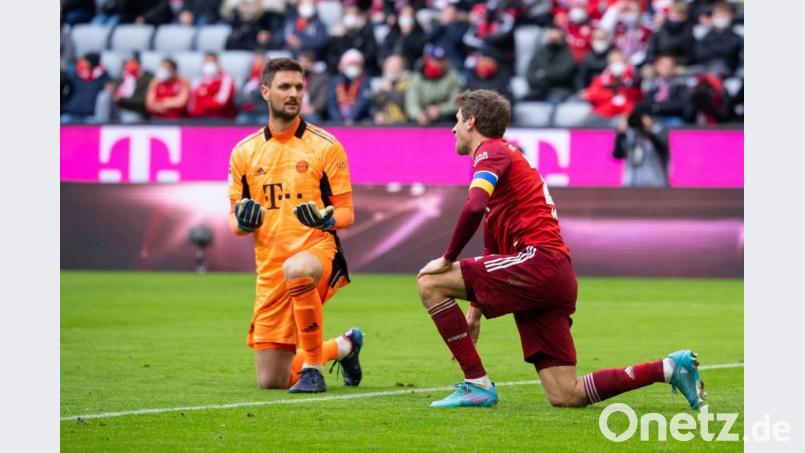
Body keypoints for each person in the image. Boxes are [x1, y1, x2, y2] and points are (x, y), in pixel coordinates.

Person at [416, 89, 704, 409]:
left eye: (456, 121)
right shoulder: (507, 167)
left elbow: (472, 207)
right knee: (567, 394)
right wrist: (474, 313)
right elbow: (491, 249)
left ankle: (476, 384)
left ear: (471, 122)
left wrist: (447, 259)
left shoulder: (492, 151)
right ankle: (668, 368)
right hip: (554, 274)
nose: (452, 129)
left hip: (537, 262)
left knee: (430, 282)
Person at [227, 58, 364, 393]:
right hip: (270, 268)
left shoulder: (326, 145)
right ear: (265, 92)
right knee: (272, 380)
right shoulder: (244, 152)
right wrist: (242, 223)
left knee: (297, 268)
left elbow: (347, 213)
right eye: (285, 87)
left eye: (299, 87)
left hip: (317, 252)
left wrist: (325, 218)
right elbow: (234, 221)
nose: (294, 94)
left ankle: (314, 371)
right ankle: (345, 347)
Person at [580, 49, 642, 126]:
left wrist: (628, 77)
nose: (616, 64)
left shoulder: (634, 79)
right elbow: (592, 95)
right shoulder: (601, 79)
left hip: (626, 114)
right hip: (604, 114)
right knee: (588, 120)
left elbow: (636, 97)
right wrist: (613, 94)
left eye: (619, 61)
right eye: (613, 62)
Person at [405, 45, 462, 125]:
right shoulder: (417, 78)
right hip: (420, 119)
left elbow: (456, 102)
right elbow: (412, 103)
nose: (437, 64)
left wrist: (440, 109)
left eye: (441, 61)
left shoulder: (452, 77)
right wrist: (419, 115)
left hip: (445, 118)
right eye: (434, 60)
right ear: (427, 60)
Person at [613, 111, 670, 187]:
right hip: (631, 181)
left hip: (655, 182)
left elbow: (663, 148)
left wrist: (648, 131)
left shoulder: (657, 130)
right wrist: (621, 133)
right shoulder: (629, 134)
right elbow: (617, 155)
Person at [525, 25, 577, 102]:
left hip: (559, 91)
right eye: (550, 38)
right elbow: (530, 75)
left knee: (552, 100)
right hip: (538, 90)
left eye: (555, 39)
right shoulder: (539, 55)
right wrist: (545, 77)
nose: (552, 41)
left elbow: (562, 75)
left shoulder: (568, 55)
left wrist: (543, 74)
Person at [635, 54, 688, 127]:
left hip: (671, 116)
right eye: (663, 66)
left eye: (668, 66)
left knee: (675, 124)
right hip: (653, 116)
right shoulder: (651, 83)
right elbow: (643, 103)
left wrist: (657, 107)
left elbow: (680, 104)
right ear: (657, 67)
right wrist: (645, 115)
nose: (665, 69)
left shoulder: (680, 83)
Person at [692, 1, 742, 77]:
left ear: (730, 17)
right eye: (718, 15)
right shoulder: (705, 35)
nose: (720, 18)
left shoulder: (737, 36)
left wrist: (714, 51)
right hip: (707, 69)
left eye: (723, 15)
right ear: (713, 17)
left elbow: (730, 52)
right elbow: (699, 54)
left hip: (730, 73)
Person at [327, 49, 373, 124]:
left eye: (356, 64)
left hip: (358, 121)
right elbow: (331, 103)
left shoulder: (365, 81)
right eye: (350, 64)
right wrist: (338, 120)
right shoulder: (335, 81)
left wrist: (351, 118)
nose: (353, 67)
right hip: (337, 121)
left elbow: (362, 102)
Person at [61, 53, 110, 123]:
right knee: (64, 120)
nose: (81, 63)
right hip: (71, 112)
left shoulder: (103, 77)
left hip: (91, 114)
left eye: (85, 61)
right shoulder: (74, 74)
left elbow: (109, 89)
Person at [188, 52, 238, 119]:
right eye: (207, 61)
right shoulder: (198, 80)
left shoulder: (226, 79)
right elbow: (192, 105)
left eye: (212, 61)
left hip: (220, 119)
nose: (209, 64)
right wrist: (212, 98)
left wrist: (202, 101)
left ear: (217, 63)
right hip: (198, 118)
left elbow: (221, 103)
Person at [645, 1, 695, 65]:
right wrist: (659, 62)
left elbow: (689, 56)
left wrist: (672, 63)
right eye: (674, 13)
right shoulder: (659, 31)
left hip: (678, 66)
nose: (676, 17)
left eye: (680, 14)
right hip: (659, 64)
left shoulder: (688, 33)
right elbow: (650, 53)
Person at [373, 54, 411, 125]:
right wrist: (378, 114)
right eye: (388, 67)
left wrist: (390, 91)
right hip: (385, 125)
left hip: (405, 125)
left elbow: (406, 103)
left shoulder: (408, 82)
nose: (389, 70)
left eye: (393, 67)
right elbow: (377, 105)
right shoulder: (385, 82)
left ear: (401, 68)